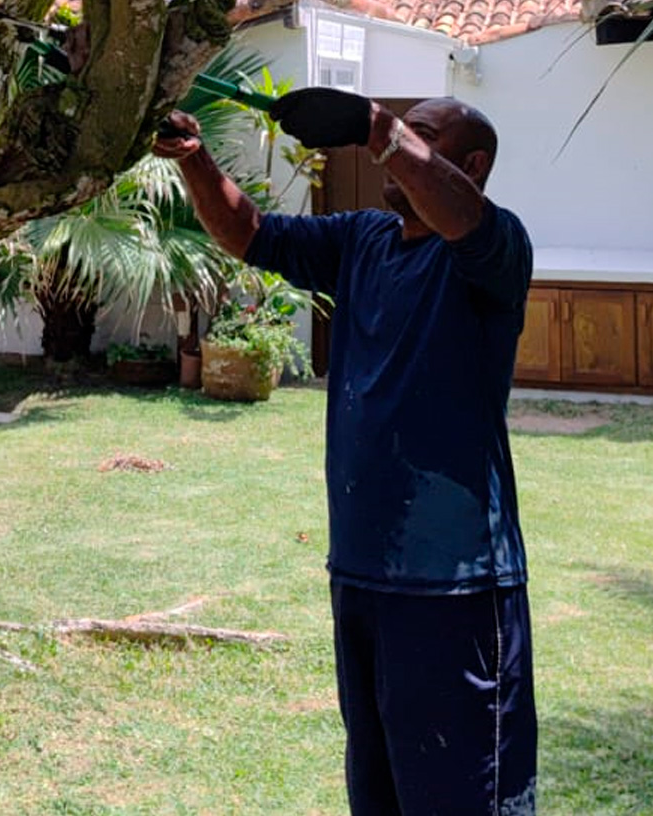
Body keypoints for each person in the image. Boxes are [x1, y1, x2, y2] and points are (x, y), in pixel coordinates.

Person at [153, 92, 536, 816]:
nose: (396, 149)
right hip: (360, 576)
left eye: (423, 135)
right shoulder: (363, 240)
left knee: (463, 798)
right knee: (380, 793)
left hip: (455, 587)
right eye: (400, 133)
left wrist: (374, 126)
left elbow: (463, 217)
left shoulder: (496, 249)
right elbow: (251, 234)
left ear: (473, 164)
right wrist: (193, 157)